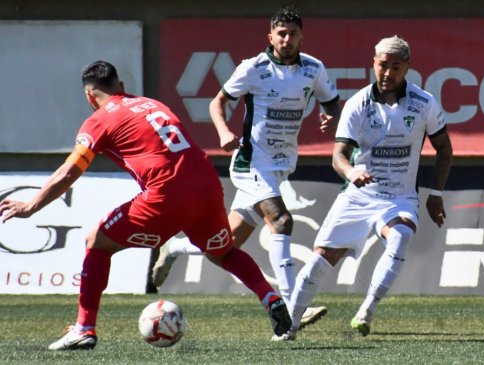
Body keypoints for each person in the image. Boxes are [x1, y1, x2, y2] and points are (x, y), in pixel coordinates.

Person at [0, 61, 291, 350]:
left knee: (97, 241)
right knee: (224, 252)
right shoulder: (152, 103)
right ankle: (271, 298)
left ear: (89, 96)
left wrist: (32, 206)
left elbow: (69, 171)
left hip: (167, 194)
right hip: (207, 185)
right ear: (122, 87)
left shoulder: (99, 120)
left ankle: (84, 328)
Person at [151, 6, 340, 328]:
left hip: (280, 166)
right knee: (280, 220)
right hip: (250, 162)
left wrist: (329, 115)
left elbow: (331, 101)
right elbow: (218, 102)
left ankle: (176, 247)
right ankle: (293, 308)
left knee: (226, 244)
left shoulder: (314, 69)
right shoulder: (254, 68)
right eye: (281, 34)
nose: (287, 39)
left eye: (293, 34)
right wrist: (224, 132)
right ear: (271, 37)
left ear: (301, 37)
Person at [273, 35, 453, 341]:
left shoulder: (424, 103)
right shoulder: (358, 103)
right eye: (382, 65)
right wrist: (351, 171)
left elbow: (444, 149)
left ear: (406, 68)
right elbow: (338, 156)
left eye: (395, 67)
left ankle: (366, 310)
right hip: (358, 196)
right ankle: (288, 327)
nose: (387, 73)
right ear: (374, 63)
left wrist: (435, 194)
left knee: (401, 237)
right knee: (319, 263)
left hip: (399, 198)